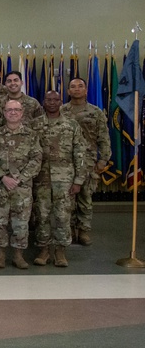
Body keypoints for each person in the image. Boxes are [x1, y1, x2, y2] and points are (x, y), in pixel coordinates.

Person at [34, 91, 87, 268]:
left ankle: (60, 251)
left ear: (60, 102)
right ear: (43, 102)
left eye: (55, 100)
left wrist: (79, 180)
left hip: (64, 178)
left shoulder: (71, 125)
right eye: (48, 99)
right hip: (40, 177)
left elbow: (79, 152)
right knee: (42, 215)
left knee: (63, 215)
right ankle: (44, 249)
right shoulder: (35, 124)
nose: (51, 103)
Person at [0, 100, 42, 269]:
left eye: (16, 110)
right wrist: (3, 177)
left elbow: (36, 159)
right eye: (9, 110)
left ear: (22, 112)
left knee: (21, 222)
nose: (13, 112)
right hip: (0, 185)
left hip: (22, 187)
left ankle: (18, 255)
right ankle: (0, 254)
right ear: (4, 113)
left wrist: (20, 178)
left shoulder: (31, 135)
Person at [61, 77, 111, 246]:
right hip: (66, 161)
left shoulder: (95, 112)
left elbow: (104, 138)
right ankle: (69, 229)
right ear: (68, 91)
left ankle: (84, 230)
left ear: (86, 90)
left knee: (85, 197)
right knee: (67, 197)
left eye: (80, 86)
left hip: (88, 161)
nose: (76, 89)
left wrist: (103, 159)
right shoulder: (61, 111)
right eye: (73, 87)